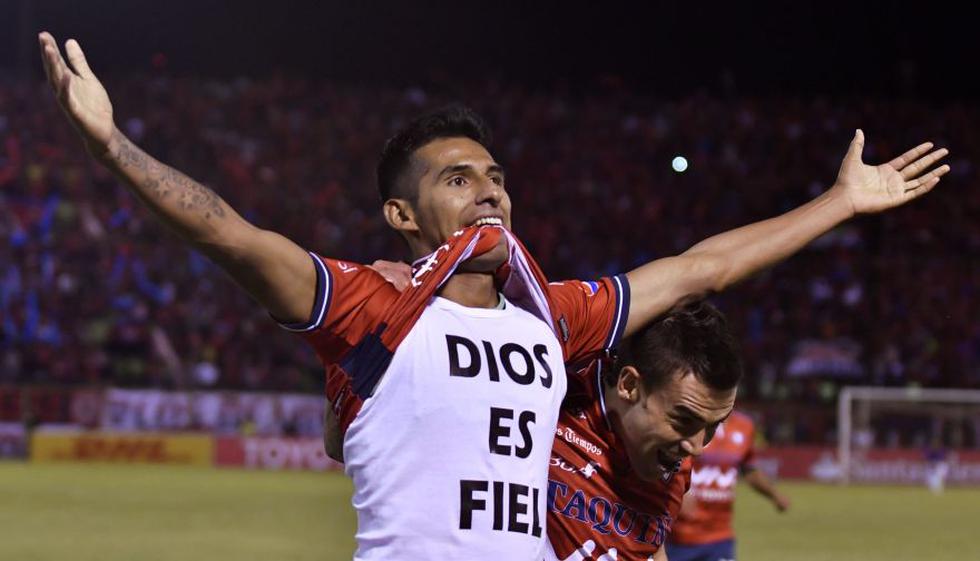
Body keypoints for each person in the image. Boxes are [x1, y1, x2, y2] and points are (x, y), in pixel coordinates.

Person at [38, 31, 949, 560]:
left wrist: (840, 201)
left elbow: (703, 267)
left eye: (497, 175)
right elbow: (227, 230)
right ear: (400, 211)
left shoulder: (551, 316)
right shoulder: (371, 306)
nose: (489, 189)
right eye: (457, 177)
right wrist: (114, 148)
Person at [546, 300, 741, 561]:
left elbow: (648, 547)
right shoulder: (549, 407)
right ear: (629, 385)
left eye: (713, 426)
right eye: (683, 419)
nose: (695, 447)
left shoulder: (670, 464)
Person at [667, 410, 789, 561]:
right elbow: (664, 462)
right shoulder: (689, 421)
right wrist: (679, 491)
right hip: (680, 538)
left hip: (720, 536)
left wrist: (774, 495)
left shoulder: (745, 426)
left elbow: (749, 469)